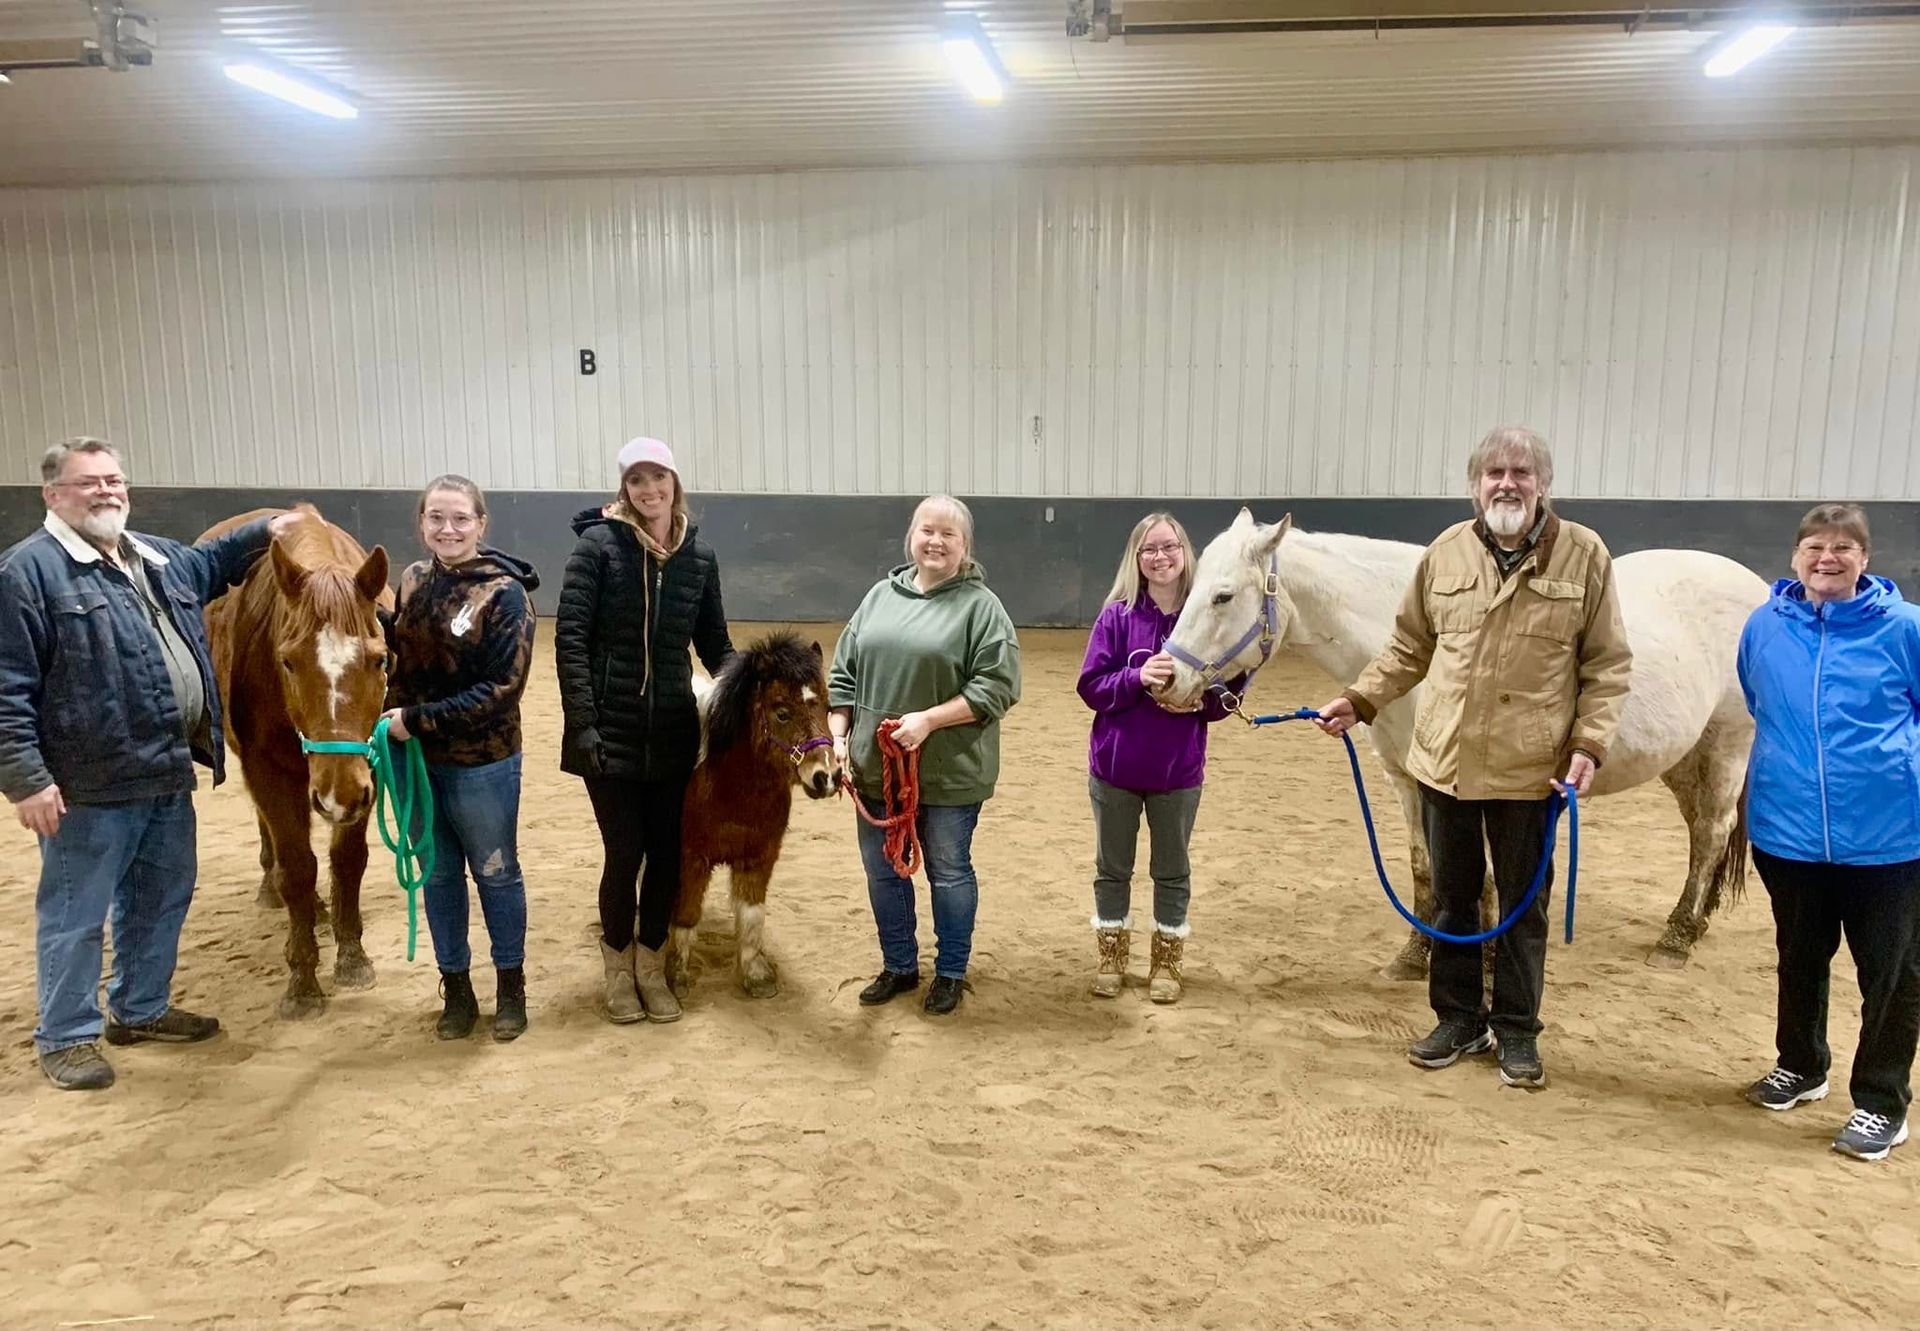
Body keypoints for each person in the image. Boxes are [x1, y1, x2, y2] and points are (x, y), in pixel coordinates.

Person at [1315, 425, 1631, 1090]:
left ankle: (1517, 1028)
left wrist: (1589, 742)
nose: (1507, 483)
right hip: (1446, 762)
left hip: (1529, 766)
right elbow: (1408, 646)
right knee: (1453, 902)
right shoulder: (1445, 554)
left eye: (1521, 471)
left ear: (1543, 484)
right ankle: (1459, 1018)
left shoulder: (1584, 556)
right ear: (1474, 485)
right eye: (1494, 472)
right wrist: (1360, 700)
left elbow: (1606, 664)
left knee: (1522, 905)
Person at [0, 437, 297, 1090]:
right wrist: (26, 778)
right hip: (88, 784)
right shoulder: (28, 573)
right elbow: (7, 685)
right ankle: (66, 1035)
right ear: (53, 496)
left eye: (114, 479)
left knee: (160, 898)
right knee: (77, 914)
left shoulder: (153, 555)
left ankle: (138, 1008)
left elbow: (212, 562)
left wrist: (270, 528)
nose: (106, 491)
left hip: (165, 769)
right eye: (89, 482)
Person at [1737, 502, 1920, 1162]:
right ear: (1795, 557)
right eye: (1816, 545)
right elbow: (1760, 702)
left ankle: (1880, 1100)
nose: (1828, 557)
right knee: (1800, 954)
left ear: (1866, 559)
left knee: (1892, 974)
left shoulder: (1905, 630)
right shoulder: (1764, 627)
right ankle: (1801, 1064)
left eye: (1844, 546)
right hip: (1789, 834)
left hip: (1889, 838)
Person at [556, 437, 732, 1026]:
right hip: (610, 736)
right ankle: (617, 970)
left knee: (665, 856)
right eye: (637, 480)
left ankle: (651, 967)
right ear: (624, 489)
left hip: (674, 735)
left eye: (658, 477)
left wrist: (754, 686)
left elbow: (714, 646)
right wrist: (583, 723)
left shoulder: (699, 557)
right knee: (623, 852)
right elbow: (571, 641)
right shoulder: (597, 548)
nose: (649, 489)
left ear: (675, 483)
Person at [828, 495, 1021, 1017]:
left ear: (965, 546)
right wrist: (839, 738)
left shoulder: (982, 609)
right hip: (874, 769)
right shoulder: (877, 598)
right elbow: (842, 676)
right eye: (926, 531)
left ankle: (951, 971)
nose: (935, 542)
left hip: (948, 773)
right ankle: (899, 964)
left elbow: (997, 687)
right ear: (911, 537)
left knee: (948, 869)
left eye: (948, 535)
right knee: (883, 871)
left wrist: (928, 720)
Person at [380, 475, 539, 1043]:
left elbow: (503, 689)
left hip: (482, 762)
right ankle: (457, 987)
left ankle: (511, 987)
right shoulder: (414, 580)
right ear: (422, 524)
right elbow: (399, 666)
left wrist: (415, 721)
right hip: (414, 762)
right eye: (436, 518)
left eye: (460, 519)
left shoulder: (505, 594)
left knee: (496, 874)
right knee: (438, 875)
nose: (447, 529)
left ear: (481, 525)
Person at [1077, 512, 1243, 1003]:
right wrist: (1135, 678)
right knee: (1113, 867)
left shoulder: (1206, 616)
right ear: (1137, 557)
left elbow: (1232, 688)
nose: (1160, 557)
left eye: (1169, 546)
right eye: (1149, 549)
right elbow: (1090, 685)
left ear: (1184, 551)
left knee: (1172, 869)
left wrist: (1206, 701)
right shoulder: (1117, 617)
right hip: (1115, 768)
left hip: (1178, 770)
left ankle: (1167, 963)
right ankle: (1111, 955)